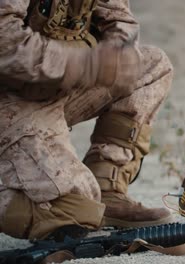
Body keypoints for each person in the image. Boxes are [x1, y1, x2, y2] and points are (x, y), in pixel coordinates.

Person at [0, 0, 174, 241]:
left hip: (55, 87)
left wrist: (118, 53)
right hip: (10, 101)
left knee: (152, 66)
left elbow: (120, 19)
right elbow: (4, 42)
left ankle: (108, 191)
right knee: (73, 214)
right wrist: (87, 64)